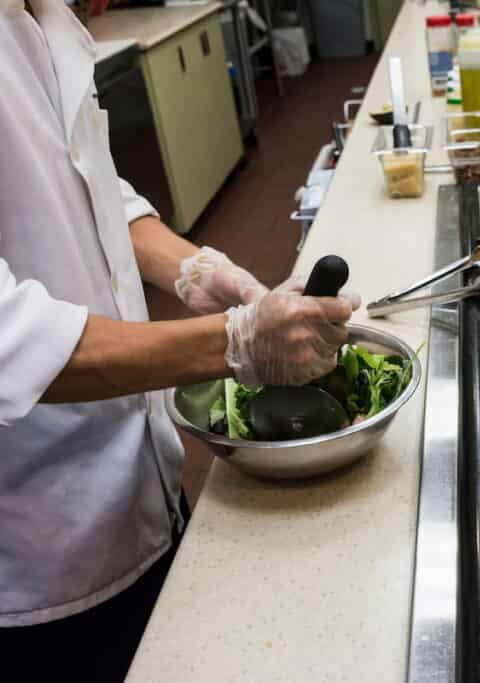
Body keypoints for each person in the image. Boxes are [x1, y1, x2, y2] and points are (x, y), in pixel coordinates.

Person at [0, 0, 360, 679]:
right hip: (40, 552)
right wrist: (233, 343)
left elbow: (93, 183)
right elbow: (8, 337)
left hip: (143, 479)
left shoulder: (40, 17)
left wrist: (193, 266)